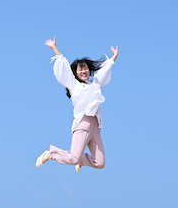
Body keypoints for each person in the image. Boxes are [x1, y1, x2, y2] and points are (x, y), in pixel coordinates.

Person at [35, 37, 119, 173]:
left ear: (89, 71)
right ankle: (52, 154)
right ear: (75, 73)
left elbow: (104, 72)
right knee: (74, 158)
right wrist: (55, 49)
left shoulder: (95, 84)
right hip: (83, 124)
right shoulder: (74, 85)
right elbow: (63, 70)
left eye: (85, 68)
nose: (83, 71)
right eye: (80, 70)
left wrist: (113, 57)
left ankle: (80, 160)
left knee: (100, 163)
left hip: (95, 127)